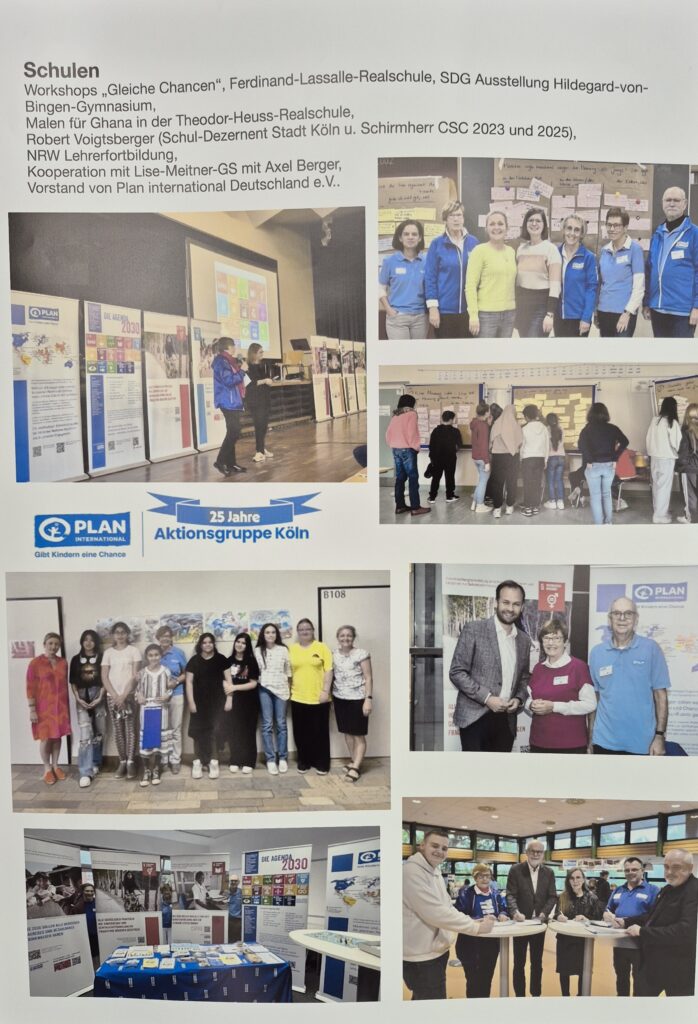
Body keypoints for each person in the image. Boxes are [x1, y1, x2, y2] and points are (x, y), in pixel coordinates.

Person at [403, 830, 494, 1000]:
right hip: (421, 956)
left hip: (435, 952)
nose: (440, 851)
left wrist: (473, 920)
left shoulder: (434, 871)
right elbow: (436, 913)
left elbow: (447, 908)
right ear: (422, 845)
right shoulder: (412, 872)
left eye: (444, 848)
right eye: (435, 846)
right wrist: (475, 927)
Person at [449, 580, 530, 751]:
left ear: (522, 607)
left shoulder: (524, 640)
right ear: (496, 603)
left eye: (516, 604)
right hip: (475, 718)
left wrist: (519, 699)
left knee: (499, 774)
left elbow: (523, 678)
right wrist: (487, 698)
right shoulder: (474, 629)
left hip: (506, 721)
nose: (510, 608)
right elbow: (457, 672)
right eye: (506, 602)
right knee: (474, 774)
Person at [588, 596, 670, 755]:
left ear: (636, 618)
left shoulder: (651, 649)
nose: (622, 618)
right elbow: (595, 699)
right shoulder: (597, 653)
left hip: (642, 744)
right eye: (617, 613)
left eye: (628, 613)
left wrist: (659, 736)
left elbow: (661, 696)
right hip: (603, 742)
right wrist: (590, 738)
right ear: (609, 619)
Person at [626, 848, 698, 996]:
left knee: (677, 1016)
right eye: (666, 867)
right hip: (653, 965)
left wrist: (642, 931)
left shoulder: (694, 890)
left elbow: (685, 931)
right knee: (641, 1010)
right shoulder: (667, 889)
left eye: (676, 867)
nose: (669, 872)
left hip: (679, 969)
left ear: (690, 868)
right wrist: (625, 922)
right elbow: (652, 917)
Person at [527, 618, 596, 753]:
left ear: (565, 642)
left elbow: (590, 704)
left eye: (557, 638)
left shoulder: (578, 667)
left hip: (571, 745)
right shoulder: (538, 669)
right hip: (539, 742)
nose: (551, 642)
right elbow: (528, 698)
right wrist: (531, 705)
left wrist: (554, 707)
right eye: (546, 638)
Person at [643, 187, 698, 337]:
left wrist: (697, 307)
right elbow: (650, 270)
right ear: (662, 204)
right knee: (662, 356)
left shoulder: (694, 234)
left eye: (676, 200)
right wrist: (647, 302)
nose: (672, 204)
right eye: (668, 200)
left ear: (685, 204)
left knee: (680, 357)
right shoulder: (657, 234)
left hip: (683, 311)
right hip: (658, 309)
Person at [506, 840, 558, 997]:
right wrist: (515, 912)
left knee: (537, 963)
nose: (536, 854)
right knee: (519, 963)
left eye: (539, 852)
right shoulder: (515, 870)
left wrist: (544, 913)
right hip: (521, 924)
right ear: (526, 852)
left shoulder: (549, 872)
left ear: (543, 854)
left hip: (539, 925)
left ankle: (536, 995)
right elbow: (510, 894)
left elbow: (552, 896)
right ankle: (520, 996)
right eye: (533, 851)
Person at [602, 856, 659, 996]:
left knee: (640, 982)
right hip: (620, 944)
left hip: (640, 945)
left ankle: (637, 1011)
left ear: (642, 870)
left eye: (634, 869)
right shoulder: (618, 890)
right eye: (627, 870)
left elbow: (653, 917)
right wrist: (606, 915)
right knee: (621, 979)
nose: (630, 872)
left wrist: (626, 921)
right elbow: (608, 909)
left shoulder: (653, 890)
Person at [424, 201, 479, 338]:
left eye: (459, 215)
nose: (456, 219)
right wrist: (433, 308)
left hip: (469, 311)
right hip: (444, 311)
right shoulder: (437, 244)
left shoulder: (474, 242)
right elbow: (430, 277)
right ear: (445, 219)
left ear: (463, 218)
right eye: (451, 215)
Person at [454, 863, 509, 998]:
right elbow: (458, 914)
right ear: (475, 877)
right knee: (473, 981)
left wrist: (502, 914)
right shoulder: (466, 893)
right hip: (470, 944)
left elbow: (504, 907)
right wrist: (481, 918)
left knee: (486, 979)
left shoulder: (495, 894)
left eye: (487, 876)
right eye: (481, 876)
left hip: (491, 944)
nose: (485, 879)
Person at [185, 632, 232, 780]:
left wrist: (229, 700)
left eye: (210, 642)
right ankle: (198, 762)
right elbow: (189, 683)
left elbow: (229, 682)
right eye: (204, 642)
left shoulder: (221, 660)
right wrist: (191, 702)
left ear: (213, 644)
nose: (207, 645)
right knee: (197, 733)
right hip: (198, 704)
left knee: (215, 732)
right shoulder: (194, 661)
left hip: (217, 703)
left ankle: (213, 762)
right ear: (200, 644)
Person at [26, 632, 71, 786]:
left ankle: (56, 765)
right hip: (43, 708)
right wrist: (32, 709)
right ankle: (47, 769)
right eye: (50, 643)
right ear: (44, 644)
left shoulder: (63, 662)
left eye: (56, 644)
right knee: (45, 738)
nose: (54, 647)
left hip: (61, 707)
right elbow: (30, 688)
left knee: (57, 737)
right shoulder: (35, 663)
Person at [289, 619, 333, 774]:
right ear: (298, 632)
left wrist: (325, 691)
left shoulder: (322, 647)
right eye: (301, 629)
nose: (305, 631)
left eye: (308, 628)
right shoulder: (292, 649)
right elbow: (289, 672)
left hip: (319, 697)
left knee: (319, 732)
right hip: (297, 696)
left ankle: (322, 763)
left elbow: (328, 670)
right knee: (301, 733)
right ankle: (304, 761)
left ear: (313, 630)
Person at [465, 210, 517, 337]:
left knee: (504, 355)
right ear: (486, 228)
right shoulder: (479, 251)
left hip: (509, 314)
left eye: (500, 224)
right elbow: (470, 285)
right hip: (486, 316)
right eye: (492, 224)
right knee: (485, 356)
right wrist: (473, 315)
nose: (496, 227)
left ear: (507, 228)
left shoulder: (511, 252)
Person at [553, 867, 605, 996]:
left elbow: (598, 919)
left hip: (583, 942)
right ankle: (565, 996)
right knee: (564, 971)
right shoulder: (562, 897)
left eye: (578, 877)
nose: (575, 881)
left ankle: (581, 997)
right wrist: (559, 917)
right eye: (572, 878)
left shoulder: (592, 898)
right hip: (565, 940)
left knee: (583, 970)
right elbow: (555, 914)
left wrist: (586, 919)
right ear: (568, 880)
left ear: (583, 879)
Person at [331, 625, 373, 783]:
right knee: (347, 733)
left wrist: (368, 699)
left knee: (358, 734)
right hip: (339, 698)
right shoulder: (333, 654)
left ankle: (356, 767)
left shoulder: (361, 654)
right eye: (342, 635)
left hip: (357, 699)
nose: (345, 638)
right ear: (338, 638)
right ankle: (353, 761)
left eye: (349, 635)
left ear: (353, 637)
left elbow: (368, 678)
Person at [101, 621, 141, 780]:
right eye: (117, 632)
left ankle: (131, 762)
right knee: (118, 730)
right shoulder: (108, 653)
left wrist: (124, 695)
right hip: (112, 697)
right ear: (113, 635)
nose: (120, 635)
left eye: (123, 632)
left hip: (129, 696)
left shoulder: (134, 651)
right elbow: (104, 676)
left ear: (127, 634)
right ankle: (122, 761)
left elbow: (135, 676)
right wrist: (115, 696)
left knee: (130, 729)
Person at [577, 402, 629, 525]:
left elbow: (582, 446)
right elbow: (625, 441)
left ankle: (599, 525)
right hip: (609, 466)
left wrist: (589, 460)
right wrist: (615, 458)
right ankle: (608, 522)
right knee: (606, 494)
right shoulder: (612, 428)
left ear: (591, 414)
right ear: (605, 414)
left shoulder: (587, 429)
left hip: (593, 466)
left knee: (595, 497)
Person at [597, 207, 645, 337]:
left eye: (617, 225)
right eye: (609, 225)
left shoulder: (635, 250)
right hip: (604, 311)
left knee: (621, 355)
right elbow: (601, 283)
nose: (612, 229)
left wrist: (627, 313)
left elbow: (639, 287)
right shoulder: (604, 251)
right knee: (606, 355)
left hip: (624, 314)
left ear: (625, 227)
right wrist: (596, 310)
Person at [514, 207, 562, 337]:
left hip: (541, 308)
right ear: (525, 224)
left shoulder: (551, 250)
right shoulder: (521, 249)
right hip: (523, 307)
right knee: (525, 348)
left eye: (538, 221)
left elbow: (555, 286)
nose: (534, 224)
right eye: (530, 220)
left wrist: (550, 314)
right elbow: (518, 282)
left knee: (534, 348)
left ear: (544, 225)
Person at [379, 219, 428, 339]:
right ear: (400, 238)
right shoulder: (389, 261)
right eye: (406, 234)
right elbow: (380, 288)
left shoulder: (427, 262)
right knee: (400, 356)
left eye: (414, 234)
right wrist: (388, 309)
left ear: (420, 238)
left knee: (418, 356)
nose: (410, 237)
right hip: (397, 318)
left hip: (421, 318)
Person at [69, 628, 105, 789]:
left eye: (92, 639)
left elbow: (105, 679)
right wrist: (77, 698)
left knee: (99, 733)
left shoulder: (102, 657)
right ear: (82, 641)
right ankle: (85, 772)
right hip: (82, 698)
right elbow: (73, 682)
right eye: (86, 639)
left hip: (99, 695)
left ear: (96, 642)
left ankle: (96, 763)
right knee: (85, 736)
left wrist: (100, 696)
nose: (88, 642)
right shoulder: (76, 659)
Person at [255, 622, 292, 776]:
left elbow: (288, 671)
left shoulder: (283, 650)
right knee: (267, 725)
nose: (270, 635)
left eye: (273, 632)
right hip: (264, 689)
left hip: (282, 690)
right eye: (267, 632)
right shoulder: (258, 650)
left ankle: (282, 757)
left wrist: (289, 689)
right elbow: (256, 671)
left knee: (281, 724)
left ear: (277, 634)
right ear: (263, 635)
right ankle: (270, 759)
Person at [134, 644, 173, 787]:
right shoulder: (142, 673)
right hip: (147, 709)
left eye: (156, 655)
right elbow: (137, 691)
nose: (154, 658)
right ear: (147, 657)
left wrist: (167, 695)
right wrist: (139, 697)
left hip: (161, 709)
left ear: (161, 656)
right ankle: (146, 770)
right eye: (151, 655)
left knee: (158, 741)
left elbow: (170, 689)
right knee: (147, 741)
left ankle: (156, 769)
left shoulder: (166, 671)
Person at [385, 394, 430, 516]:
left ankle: (400, 506)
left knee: (400, 478)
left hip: (395, 449)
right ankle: (415, 507)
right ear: (411, 403)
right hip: (407, 449)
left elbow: (388, 434)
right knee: (413, 478)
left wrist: (393, 444)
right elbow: (412, 433)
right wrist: (416, 447)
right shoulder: (412, 414)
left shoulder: (396, 415)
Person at [553, 214, 598, 337]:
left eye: (577, 230)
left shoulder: (588, 257)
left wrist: (586, 318)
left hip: (579, 319)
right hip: (559, 317)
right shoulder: (554, 254)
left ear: (582, 234)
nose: (572, 233)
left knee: (578, 355)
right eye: (569, 228)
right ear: (563, 230)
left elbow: (591, 289)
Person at [224, 632, 260, 774]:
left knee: (248, 732)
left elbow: (253, 684)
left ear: (247, 646)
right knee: (234, 731)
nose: (240, 645)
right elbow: (224, 680)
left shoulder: (251, 661)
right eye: (238, 641)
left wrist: (234, 687)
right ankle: (235, 760)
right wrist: (230, 692)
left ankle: (248, 761)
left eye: (243, 643)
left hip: (250, 702)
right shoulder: (228, 661)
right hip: (234, 701)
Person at [212, 336, 247, 476]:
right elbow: (228, 380)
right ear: (228, 347)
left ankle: (231, 463)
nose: (235, 348)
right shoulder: (221, 361)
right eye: (234, 346)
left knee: (232, 431)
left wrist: (240, 370)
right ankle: (220, 461)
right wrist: (242, 371)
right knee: (234, 431)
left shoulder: (228, 360)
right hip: (227, 401)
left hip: (232, 400)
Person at [155, 625, 187, 775]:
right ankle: (163, 760)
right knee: (161, 729)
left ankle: (175, 760)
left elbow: (186, 674)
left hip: (176, 694)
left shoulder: (178, 653)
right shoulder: (154, 653)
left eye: (168, 635)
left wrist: (176, 682)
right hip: (157, 697)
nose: (165, 638)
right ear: (158, 638)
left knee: (175, 729)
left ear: (171, 637)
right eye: (162, 636)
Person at [646, 396, 681, 523]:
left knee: (656, 486)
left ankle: (659, 512)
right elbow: (677, 443)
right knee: (664, 488)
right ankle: (660, 516)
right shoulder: (672, 423)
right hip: (667, 459)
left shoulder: (655, 420)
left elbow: (648, 439)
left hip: (654, 458)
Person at [489, 404, 523, 518]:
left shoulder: (496, 424)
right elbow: (520, 442)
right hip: (512, 457)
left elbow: (491, 442)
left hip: (498, 457)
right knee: (511, 482)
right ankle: (509, 507)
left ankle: (497, 509)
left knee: (498, 483)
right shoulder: (516, 426)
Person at [245, 341, 274, 462]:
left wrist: (269, 381)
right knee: (259, 425)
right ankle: (259, 451)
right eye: (260, 352)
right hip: (255, 401)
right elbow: (250, 385)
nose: (263, 354)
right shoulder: (247, 368)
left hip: (264, 399)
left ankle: (262, 449)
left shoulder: (262, 366)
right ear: (254, 353)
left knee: (264, 426)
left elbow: (265, 380)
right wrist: (264, 381)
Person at [519, 404, 548, 516]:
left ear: (526, 416)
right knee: (537, 483)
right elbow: (547, 446)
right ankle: (535, 507)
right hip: (540, 458)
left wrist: (521, 458)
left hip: (527, 458)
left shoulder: (524, 429)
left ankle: (528, 508)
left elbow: (522, 446)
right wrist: (545, 460)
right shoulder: (544, 427)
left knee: (527, 484)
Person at [427, 410, 461, 504]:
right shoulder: (455, 431)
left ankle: (432, 497)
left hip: (437, 459)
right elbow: (458, 446)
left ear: (442, 419)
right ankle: (449, 496)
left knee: (436, 477)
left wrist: (432, 458)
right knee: (450, 477)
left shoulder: (436, 430)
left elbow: (431, 445)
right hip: (450, 458)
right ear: (451, 419)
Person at [676, 402, 698, 523]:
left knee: (691, 497)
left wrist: (680, 467)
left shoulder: (685, 430)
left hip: (689, 469)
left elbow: (683, 456)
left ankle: (690, 519)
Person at [469, 402, 491, 513]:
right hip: (482, 458)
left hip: (475, 457)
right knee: (483, 481)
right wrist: (487, 461)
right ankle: (480, 505)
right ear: (486, 412)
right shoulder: (483, 426)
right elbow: (484, 444)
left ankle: (474, 503)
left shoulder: (475, 423)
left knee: (481, 480)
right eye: (489, 411)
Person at [543, 412, 566, 510]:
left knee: (551, 481)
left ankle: (552, 501)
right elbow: (562, 442)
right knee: (559, 480)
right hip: (561, 457)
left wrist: (545, 460)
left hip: (551, 457)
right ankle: (561, 502)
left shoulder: (546, 430)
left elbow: (546, 447)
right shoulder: (561, 429)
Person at [227, 874, 243, 942]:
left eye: (235, 881)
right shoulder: (226, 892)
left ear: (238, 882)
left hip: (238, 920)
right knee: (229, 938)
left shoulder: (242, 892)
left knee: (237, 939)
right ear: (229, 882)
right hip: (228, 919)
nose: (233, 882)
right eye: (232, 881)